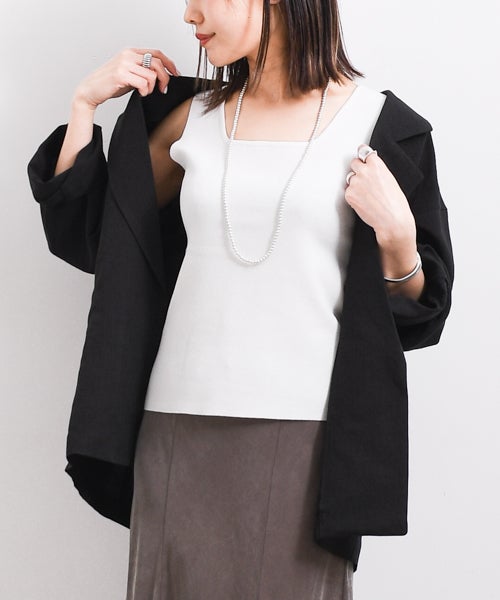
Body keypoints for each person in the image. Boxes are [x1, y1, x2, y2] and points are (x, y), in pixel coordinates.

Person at [27, 0, 454, 598]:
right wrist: (83, 107)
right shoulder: (194, 119)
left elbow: (419, 312)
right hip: (176, 420)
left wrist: (399, 236)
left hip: (304, 430)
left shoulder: (381, 126)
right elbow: (101, 237)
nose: (189, 14)